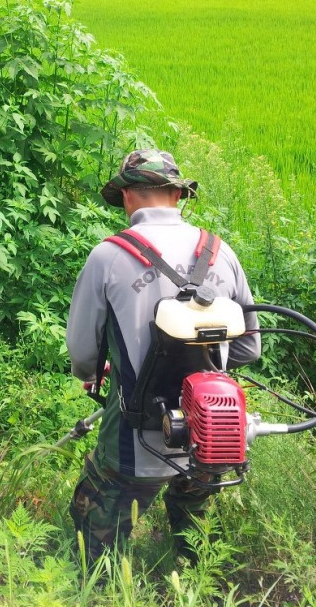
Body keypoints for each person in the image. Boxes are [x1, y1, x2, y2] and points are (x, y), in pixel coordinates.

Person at [66, 149, 261, 565]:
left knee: (94, 518)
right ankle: (195, 590)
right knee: (196, 526)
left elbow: (83, 355)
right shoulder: (219, 251)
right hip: (213, 432)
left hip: (134, 437)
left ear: (126, 197)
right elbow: (249, 347)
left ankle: (100, 597)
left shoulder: (108, 256)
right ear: (177, 195)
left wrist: (97, 372)